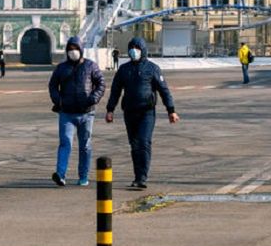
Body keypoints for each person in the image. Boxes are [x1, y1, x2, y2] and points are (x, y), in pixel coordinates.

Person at [105, 37, 178, 190]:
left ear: (143, 50)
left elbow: (164, 90)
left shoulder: (152, 68)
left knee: (144, 143)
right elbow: (115, 91)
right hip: (130, 112)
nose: (134, 51)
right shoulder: (124, 70)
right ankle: (137, 177)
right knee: (134, 145)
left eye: (137, 48)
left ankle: (142, 177)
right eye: (131, 48)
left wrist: (171, 110)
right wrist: (110, 110)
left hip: (147, 112)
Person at [48, 36, 105, 187]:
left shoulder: (91, 66)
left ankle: (83, 176)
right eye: (70, 49)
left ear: (81, 50)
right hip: (66, 113)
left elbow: (101, 83)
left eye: (75, 49)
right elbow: (53, 86)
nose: (73, 52)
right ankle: (60, 175)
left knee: (85, 145)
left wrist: (93, 98)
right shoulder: (61, 68)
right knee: (65, 143)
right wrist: (58, 101)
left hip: (87, 113)